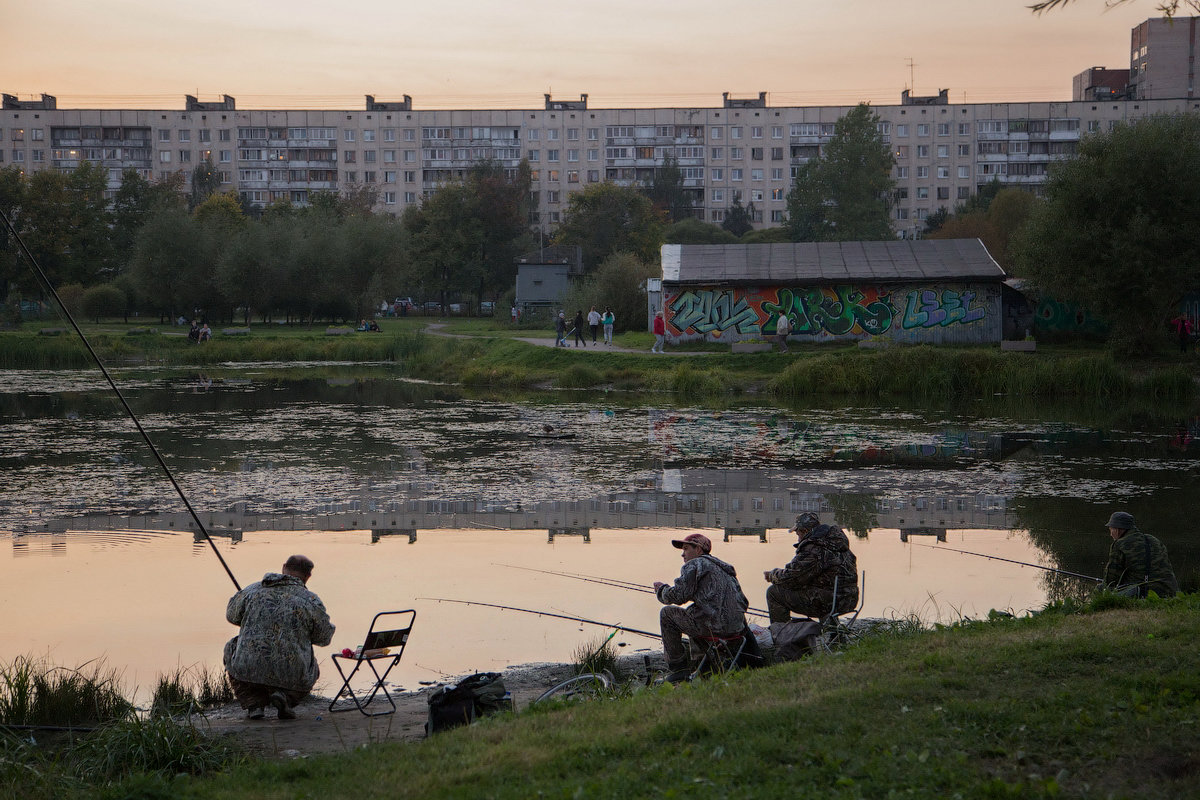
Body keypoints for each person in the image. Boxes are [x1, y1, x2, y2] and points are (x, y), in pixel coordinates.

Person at [224, 554, 335, 720]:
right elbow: (324, 638)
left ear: (284, 568)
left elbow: (232, 616)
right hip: (292, 672)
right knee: (310, 661)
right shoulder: (311, 600)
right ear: (308, 576)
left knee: (231, 646)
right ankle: (287, 698)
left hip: (248, 668)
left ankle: (254, 704)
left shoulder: (252, 590)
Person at [653, 533, 750, 683]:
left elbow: (679, 596)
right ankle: (704, 666)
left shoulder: (695, 564)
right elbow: (743, 602)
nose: (682, 554)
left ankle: (678, 670)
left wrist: (661, 590)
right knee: (693, 611)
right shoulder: (725, 569)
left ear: (698, 550)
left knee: (667, 614)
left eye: (686, 549)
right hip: (737, 631)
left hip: (715, 629)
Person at [764, 513, 858, 623]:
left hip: (831, 602)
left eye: (797, 533)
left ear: (804, 531)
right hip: (850, 599)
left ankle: (781, 635)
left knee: (774, 592)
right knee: (821, 587)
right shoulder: (837, 543)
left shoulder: (814, 548)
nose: (797, 537)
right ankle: (835, 634)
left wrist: (772, 575)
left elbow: (792, 578)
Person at [1102, 511, 1179, 598]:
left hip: (1145, 593)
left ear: (1117, 529)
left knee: (1101, 589)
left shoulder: (1120, 544)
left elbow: (1111, 581)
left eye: (1110, 529)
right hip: (1170, 591)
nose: (1110, 534)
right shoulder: (1154, 540)